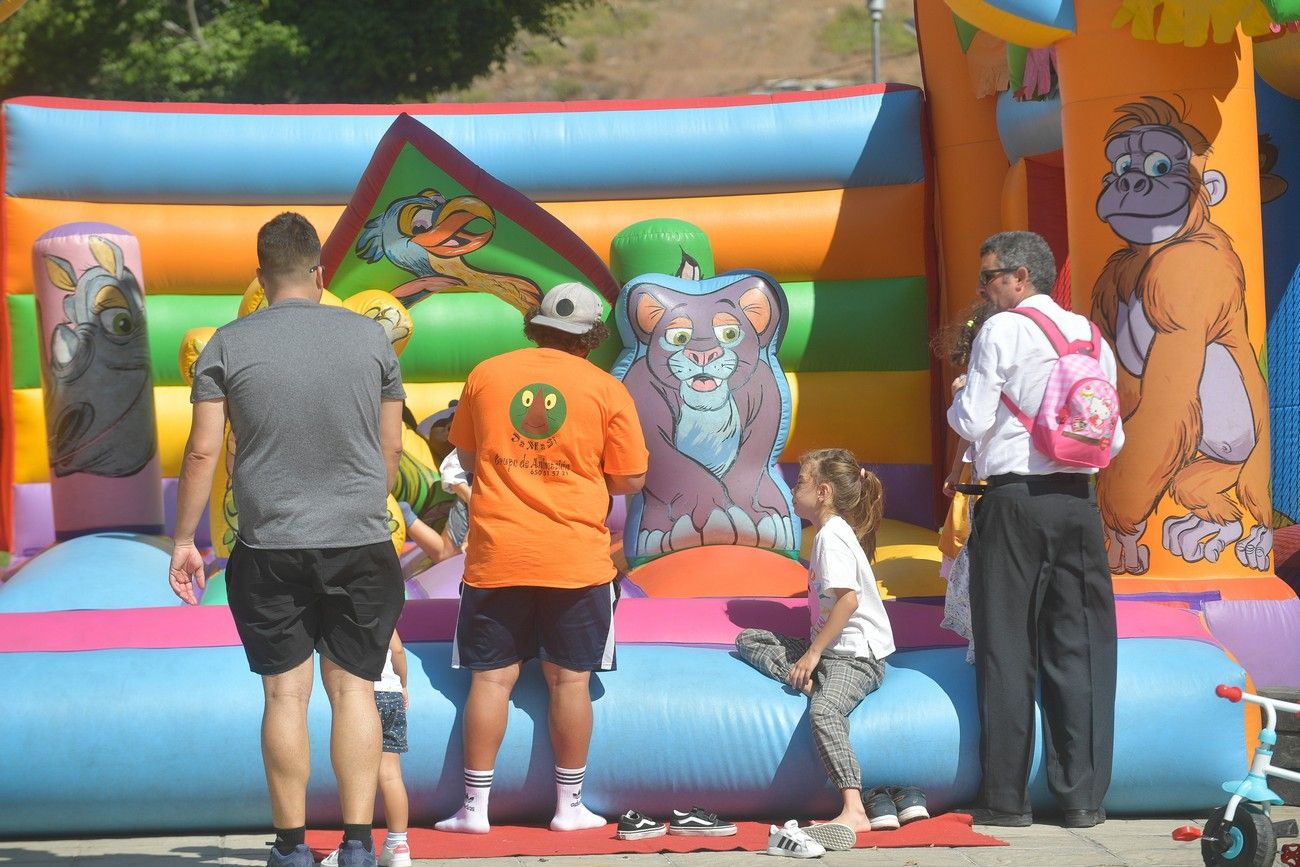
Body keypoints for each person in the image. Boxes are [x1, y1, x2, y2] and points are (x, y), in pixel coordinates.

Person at [167, 212, 407, 867]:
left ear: (260, 274)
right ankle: (358, 844)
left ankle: (292, 846)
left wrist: (186, 538)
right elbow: (390, 449)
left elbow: (200, 451)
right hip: (361, 541)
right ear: (321, 272)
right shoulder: (371, 342)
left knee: (283, 695)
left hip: (269, 545)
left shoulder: (226, 343)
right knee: (355, 687)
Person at [435, 282, 648, 834]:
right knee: (570, 684)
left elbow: (464, 451)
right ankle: (568, 807)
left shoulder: (487, 373)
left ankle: (474, 810)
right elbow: (629, 478)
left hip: (498, 553)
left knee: (490, 683)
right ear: (593, 336)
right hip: (576, 558)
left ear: (537, 324)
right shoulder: (607, 389)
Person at [947, 231, 1124, 829]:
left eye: (989, 277)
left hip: (1014, 501)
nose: (983, 289)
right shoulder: (1095, 340)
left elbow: (971, 420)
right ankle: (1081, 800)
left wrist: (956, 400)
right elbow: (1112, 439)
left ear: (1021, 278)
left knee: (1007, 648)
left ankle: (1006, 800)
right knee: (1081, 650)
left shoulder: (1003, 330)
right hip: (1078, 502)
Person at [735, 448, 895, 838]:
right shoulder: (827, 533)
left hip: (856, 657)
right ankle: (807, 677)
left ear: (823, 491)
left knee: (824, 712)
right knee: (749, 638)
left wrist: (813, 653)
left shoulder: (832, 537)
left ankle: (853, 807)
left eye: (801, 482)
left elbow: (848, 600)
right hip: (831, 650)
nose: (794, 488)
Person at [932, 301, 994, 663]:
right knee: (962, 540)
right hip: (975, 473)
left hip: (990, 476)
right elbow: (965, 434)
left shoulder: (983, 380)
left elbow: (972, 423)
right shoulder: (973, 377)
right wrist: (955, 470)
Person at [324, 632, 413, 867]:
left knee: (357, 775)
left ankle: (356, 844)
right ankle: (398, 844)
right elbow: (398, 651)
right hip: (392, 695)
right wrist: (402, 683)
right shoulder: (384, 615)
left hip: (363, 696)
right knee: (391, 774)